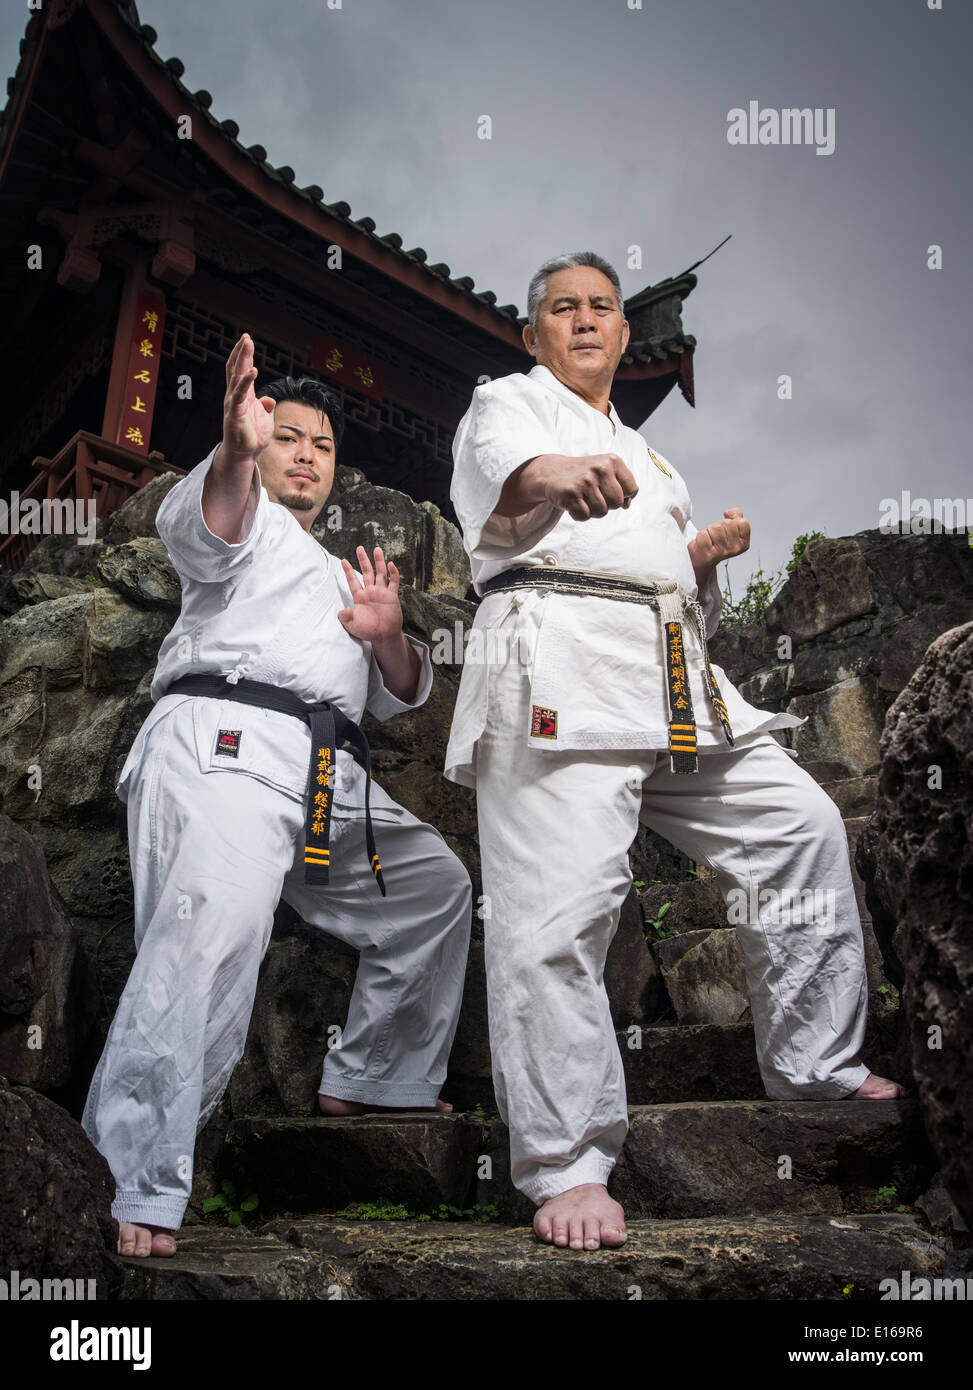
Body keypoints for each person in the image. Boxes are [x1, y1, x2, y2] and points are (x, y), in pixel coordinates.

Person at [444, 251, 902, 1255]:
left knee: (800, 825)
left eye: (601, 306)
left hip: (669, 670)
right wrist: (554, 473)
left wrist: (698, 560)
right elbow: (506, 477)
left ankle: (814, 1062)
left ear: (622, 328)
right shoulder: (507, 402)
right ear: (533, 334)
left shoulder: (654, 462)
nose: (585, 320)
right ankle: (566, 1163)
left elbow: (671, 585)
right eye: (562, 308)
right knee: (557, 910)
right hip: (557, 657)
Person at [83, 333, 472, 1259]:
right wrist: (229, 447)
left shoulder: (346, 575)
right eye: (286, 436)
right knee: (208, 933)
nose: (305, 455)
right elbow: (210, 521)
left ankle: (375, 1075)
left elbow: (405, 691)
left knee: (435, 887)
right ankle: (128, 1177)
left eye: (322, 445)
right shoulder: (242, 515)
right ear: (261, 442)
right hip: (223, 741)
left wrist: (387, 635)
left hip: (324, 768)